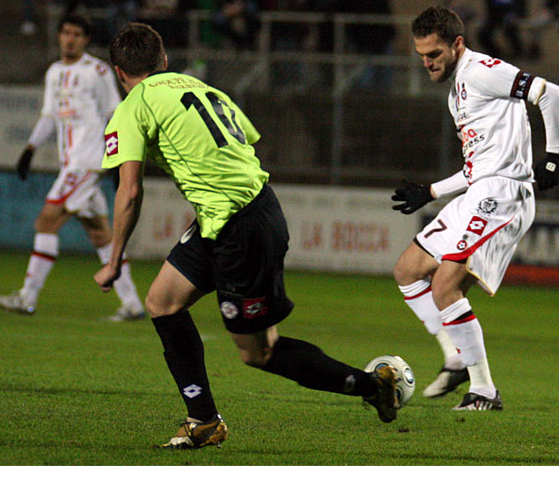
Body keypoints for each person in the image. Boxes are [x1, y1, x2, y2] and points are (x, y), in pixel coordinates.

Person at [93, 22, 399, 449]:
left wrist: (113, 260)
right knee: (162, 302)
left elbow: (129, 191)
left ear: (118, 72)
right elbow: (246, 141)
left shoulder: (132, 106)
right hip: (231, 217)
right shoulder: (202, 87)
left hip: (241, 228)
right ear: (163, 59)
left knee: (258, 351)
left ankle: (373, 385)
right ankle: (203, 420)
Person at [391, 6, 559, 410]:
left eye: (434, 53)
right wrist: (431, 191)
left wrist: (553, 156)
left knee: (444, 286)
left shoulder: (483, 71)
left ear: (457, 44)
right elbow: (476, 167)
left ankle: (484, 391)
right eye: (421, 56)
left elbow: (549, 93)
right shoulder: (457, 94)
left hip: (503, 194)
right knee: (408, 270)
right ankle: (455, 358)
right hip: (480, 190)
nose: (427, 62)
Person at [0, 14, 144, 322]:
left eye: (76, 34)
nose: (70, 39)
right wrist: (30, 149)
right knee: (101, 235)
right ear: (59, 36)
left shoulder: (97, 71)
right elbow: (50, 116)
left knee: (46, 221)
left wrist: (120, 158)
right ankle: (132, 305)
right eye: (66, 33)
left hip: (86, 161)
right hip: (71, 162)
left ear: (86, 40)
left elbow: (116, 113)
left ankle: (27, 297)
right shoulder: (54, 72)